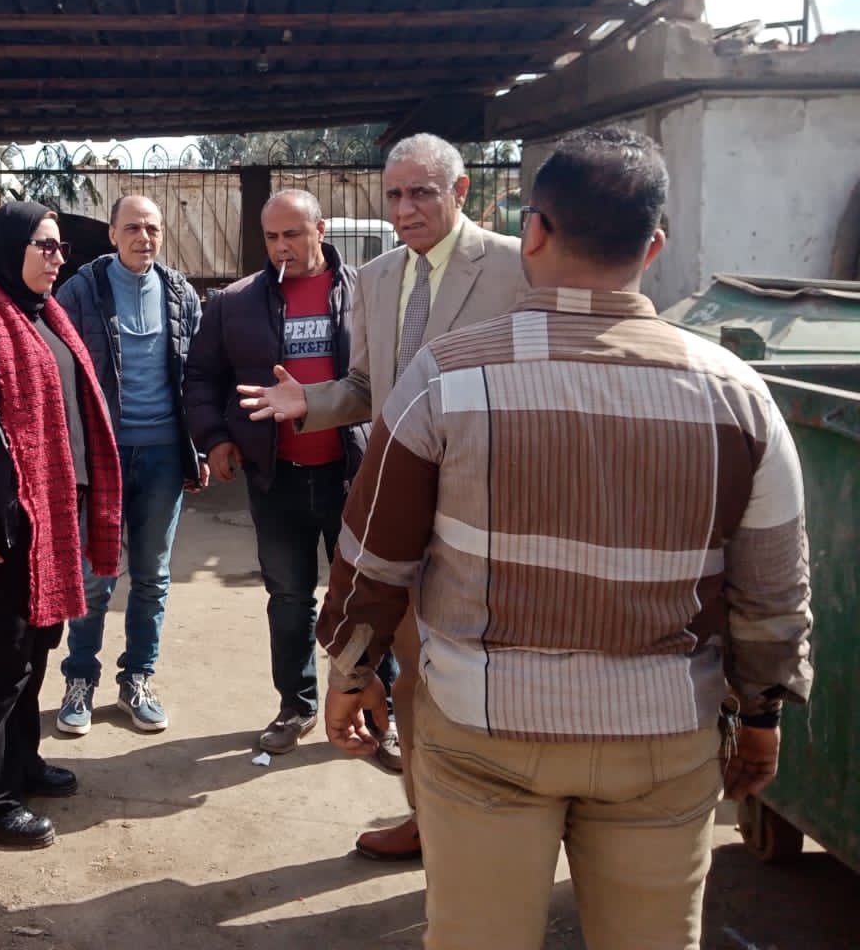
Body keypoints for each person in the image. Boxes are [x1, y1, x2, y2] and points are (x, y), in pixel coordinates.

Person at [318, 127, 812, 950]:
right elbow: (772, 591)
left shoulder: (446, 378)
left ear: (534, 232)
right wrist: (760, 713)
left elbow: (375, 556)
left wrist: (350, 672)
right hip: (663, 737)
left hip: (483, 731)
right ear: (654, 246)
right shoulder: (738, 397)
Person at [239, 133, 524, 860]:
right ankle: (426, 816)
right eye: (393, 194)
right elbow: (368, 388)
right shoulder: (376, 277)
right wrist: (309, 401)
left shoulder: (516, 266)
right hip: (404, 505)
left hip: (494, 508)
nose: (404, 208)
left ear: (460, 191)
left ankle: (502, 830)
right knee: (415, 671)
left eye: (421, 191)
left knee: (495, 674)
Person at [0, 201, 122, 849]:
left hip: (48, 521)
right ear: (10, 249)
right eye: (45, 245)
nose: (59, 257)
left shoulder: (45, 315)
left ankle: (20, 763)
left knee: (32, 655)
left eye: (61, 246)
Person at [183, 189, 374, 756]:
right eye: (271, 237)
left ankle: (372, 703)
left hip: (354, 473)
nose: (281, 246)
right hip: (277, 475)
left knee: (364, 597)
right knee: (289, 597)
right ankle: (297, 705)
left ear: (320, 230)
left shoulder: (366, 292)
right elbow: (202, 377)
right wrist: (215, 439)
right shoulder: (235, 303)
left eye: (293, 233)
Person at [54, 194, 206, 736]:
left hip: (163, 454)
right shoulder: (81, 292)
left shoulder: (180, 293)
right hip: (104, 456)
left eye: (153, 229)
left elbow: (197, 377)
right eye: (133, 228)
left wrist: (199, 447)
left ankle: (137, 678)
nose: (144, 238)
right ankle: (80, 679)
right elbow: (57, 369)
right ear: (112, 234)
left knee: (152, 576)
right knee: (96, 576)